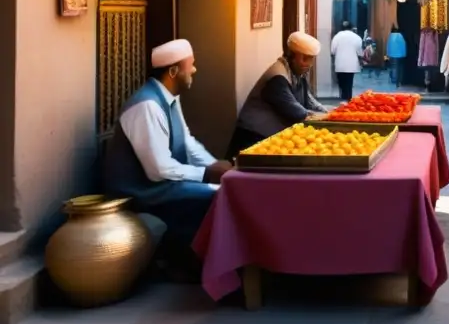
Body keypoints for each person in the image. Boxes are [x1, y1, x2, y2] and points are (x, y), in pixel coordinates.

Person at [104, 39, 231, 278]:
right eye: (190, 65)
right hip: (142, 190)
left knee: (220, 190)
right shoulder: (147, 106)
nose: (194, 70)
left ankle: (199, 261)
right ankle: (198, 265)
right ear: (173, 71)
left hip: (163, 183)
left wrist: (214, 165)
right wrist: (206, 175)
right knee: (216, 196)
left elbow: (187, 142)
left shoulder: (170, 97)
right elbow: (157, 169)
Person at [228, 32, 328, 158]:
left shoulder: (296, 73)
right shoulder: (277, 78)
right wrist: (328, 118)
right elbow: (298, 113)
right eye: (304, 59)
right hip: (253, 139)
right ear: (291, 56)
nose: (309, 64)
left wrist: (330, 112)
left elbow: (309, 101)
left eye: (311, 59)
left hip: (269, 140)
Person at [330, 21, 363, 100]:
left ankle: (343, 97)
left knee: (341, 83)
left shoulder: (337, 37)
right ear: (351, 28)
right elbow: (360, 52)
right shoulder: (357, 37)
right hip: (351, 65)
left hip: (340, 64)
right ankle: (348, 98)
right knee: (349, 83)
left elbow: (332, 51)